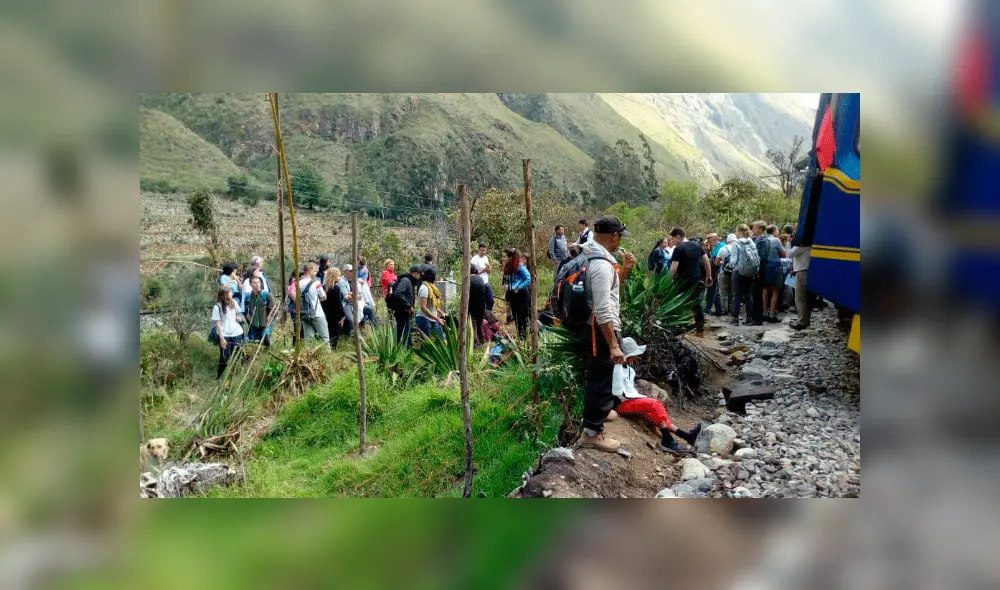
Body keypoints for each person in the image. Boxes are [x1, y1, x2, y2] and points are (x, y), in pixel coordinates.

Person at [578, 215, 635, 452]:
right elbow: (602, 308)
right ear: (613, 236)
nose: (620, 240)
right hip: (601, 328)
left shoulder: (596, 257)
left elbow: (609, 289)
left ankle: (601, 413)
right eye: (619, 235)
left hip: (598, 326)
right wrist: (613, 344)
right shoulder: (600, 264)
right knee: (600, 378)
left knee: (601, 375)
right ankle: (592, 433)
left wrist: (625, 271)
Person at [610, 337, 702, 454]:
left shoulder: (629, 370)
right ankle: (668, 440)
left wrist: (640, 398)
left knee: (655, 412)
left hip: (627, 400)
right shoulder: (616, 368)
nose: (636, 357)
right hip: (619, 404)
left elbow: (629, 390)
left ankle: (686, 436)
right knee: (654, 404)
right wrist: (642, 399)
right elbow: (618, 392)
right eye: (634, 354)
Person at [668, 227, 712, 335]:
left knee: (677, 304)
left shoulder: (678, 249)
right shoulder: (697, 245)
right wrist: (708, 275)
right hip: (695, 279)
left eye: (672, 238)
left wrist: (667, 282)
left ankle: (678, 330)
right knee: (696, 304)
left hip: (681, 281)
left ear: (678, 236)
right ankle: (700, 330)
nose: (672, 241)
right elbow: (706, 260)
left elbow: (673, 268)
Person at [212, 286, 245, 379]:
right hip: (225, 334)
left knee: (237, 356)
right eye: (230, 292)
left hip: (237, 332)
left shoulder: (234, 302)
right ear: (225, 295)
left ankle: (233, 377)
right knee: (224, 358)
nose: (232, 293)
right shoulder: (217, 307)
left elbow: (236, 315)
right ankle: (220, 378)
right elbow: (218, 324)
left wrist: (238, 319)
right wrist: (222, 339)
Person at [502, 248, 531, 339]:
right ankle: (520, 336)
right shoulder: (508, 267)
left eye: (505, 256)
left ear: (510, 257)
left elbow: (528, 279)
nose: (503, 258)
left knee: (522, 317)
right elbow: (507, 279)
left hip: (521, 295)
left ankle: (525, 337)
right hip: (512, 296)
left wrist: (518, 287)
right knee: (516, 317)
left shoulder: (520, 267)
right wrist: (506, 285)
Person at [730, 224, 756, 326]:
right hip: (750, 272)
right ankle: (749, 318)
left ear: (739, 231)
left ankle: (735, 318)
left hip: (738, 271)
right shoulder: (752, 242)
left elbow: (733, 260)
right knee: (748, 295)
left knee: (736, 295)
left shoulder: (736, 243)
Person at [760, 225, 787, 323]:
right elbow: (784, 254)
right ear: (775, 231)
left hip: (763, 268)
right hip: (774, 268)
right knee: (775, 291)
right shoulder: (776, 240)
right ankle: (772, 314)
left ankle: (764, 312)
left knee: (765, 290)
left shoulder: (763, 240)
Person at [297, 262, 329, 343]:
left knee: (309, 339)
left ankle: (309, 355)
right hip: (317, 313)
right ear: (309, 270)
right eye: (314, 270)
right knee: (324, 337)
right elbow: (323, 296)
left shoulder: (298, 283)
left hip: (303, 313)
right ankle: (328, 354)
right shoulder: (316, 283)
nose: (316, 272)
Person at [391, 266, 421, 346]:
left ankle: (406, 350)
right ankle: (403, 350)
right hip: (402, 311)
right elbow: (398, 294)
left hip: (405, 311)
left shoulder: (409, 281)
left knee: (406, 331)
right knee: (403, 331)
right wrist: (408, 306)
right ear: (415, 273)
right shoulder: (406, 280)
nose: (419, 277)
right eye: (419, 275)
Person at [788, 238, 812, 330]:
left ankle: (801, 322)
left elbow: (789, 254)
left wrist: (790, 242)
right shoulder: (810, 245)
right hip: (807, 271)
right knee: (806, 298)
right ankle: (806, 319)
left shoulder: (801, 246)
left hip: (802, 272)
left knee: (800, 298)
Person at [416, 267, 446, 339]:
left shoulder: (432, 287)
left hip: (432, 319)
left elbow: (434, 304)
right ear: (431, 276)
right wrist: (437, 318)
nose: (436, 277)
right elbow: (423, 307)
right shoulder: (424, 288)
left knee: (441, 340)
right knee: (427, 344)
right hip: (423, 319)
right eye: (435, 275)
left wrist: (441, 313)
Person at [322, 268, 349, 348]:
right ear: (334, 276)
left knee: (328, 332)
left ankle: (327, 348)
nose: (339, 277)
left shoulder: (324, 287)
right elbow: (338, 303)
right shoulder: (336, 288)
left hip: (326, 313)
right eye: (338, 275)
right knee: (335, 333)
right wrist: (343, 315)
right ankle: (333, 349)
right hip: (335, 314)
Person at [243, 275, 273, 347]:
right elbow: (246, 312)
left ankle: (267, 352)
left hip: (265, 324)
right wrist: (249, 319)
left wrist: (269, 317)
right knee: (255, 343)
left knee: (265, 339)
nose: (257, 284)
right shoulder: (248, 297)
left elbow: (273, 308)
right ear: (250, 284)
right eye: (255, 282)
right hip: (254, 325)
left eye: (258, 282)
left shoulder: (266, 295)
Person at [346, 264, 378, 329]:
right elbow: (346, 296)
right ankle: (354, 332)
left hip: (358, 302)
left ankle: (375, 330)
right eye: (351, 271)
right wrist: (353, 295)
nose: (353, 273)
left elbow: (359, 295)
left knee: (370, 309)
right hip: (348, 304)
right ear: (346, 272)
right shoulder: (343, 281)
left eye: (354, 271)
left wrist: (353, 295)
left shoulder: (356, 281)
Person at [716, 233, 738, 315]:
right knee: (734, 293)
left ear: (727, 241)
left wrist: (723, 262)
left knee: (724, 293)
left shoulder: (722, 249)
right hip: (735, 273)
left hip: (724, 272)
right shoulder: (738, 247)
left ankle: (724, 311)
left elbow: (716, 263)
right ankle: (733, 311)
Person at [703, 233, 725, 316]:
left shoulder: (720, 246)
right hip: (713, 270)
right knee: (715, 290)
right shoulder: (713, 248)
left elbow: (717, 261)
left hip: (715, 271)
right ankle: (718, 310)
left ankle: (707, 309)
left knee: (712, 290)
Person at [468, 265, 489, 346]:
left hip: (472, 308)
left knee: (473, 327)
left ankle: (475, 344)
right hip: (481, 307)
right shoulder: (480, 279)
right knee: (479, 326)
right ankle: (482, 342)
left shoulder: (469, 280)